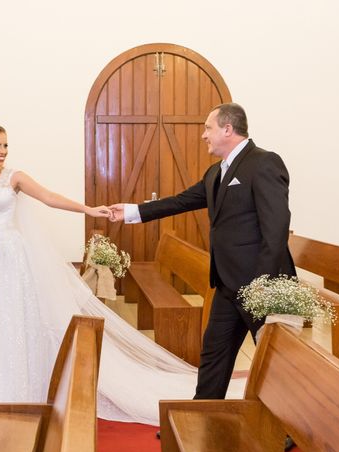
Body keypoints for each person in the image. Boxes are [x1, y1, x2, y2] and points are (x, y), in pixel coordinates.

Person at [0, 124, 209, 423]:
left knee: (8, 319)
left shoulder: (15, 177)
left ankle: (13, 388)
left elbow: (49, 197)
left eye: (6, 145)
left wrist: (88, 209)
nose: (3, 151)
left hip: (9, 259)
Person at [110, 103, 296, 401]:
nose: (203, 135)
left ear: (227, 128)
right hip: (226, 283)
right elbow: (181, 201)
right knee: (214, 353)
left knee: (275, 361)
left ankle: (286, 425)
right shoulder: (215, 173)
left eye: (208, 128)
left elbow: (275, 230)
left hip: (260, 286)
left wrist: (261, 285)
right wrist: (133, 211)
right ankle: (202, 415)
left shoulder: (264, 163)